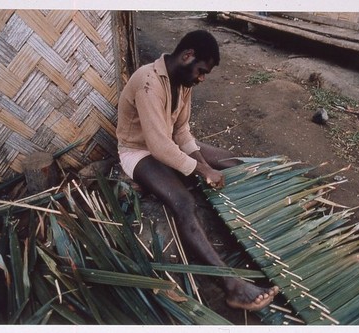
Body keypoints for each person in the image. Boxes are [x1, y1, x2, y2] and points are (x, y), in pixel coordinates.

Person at [116, 30, 278, 311]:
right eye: (202, 71)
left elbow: (181, 131)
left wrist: (204, 164)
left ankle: (267, 203)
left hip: (164, 142)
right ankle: (231, 286)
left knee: (227, 159)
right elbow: (158, 147)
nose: (202, 78)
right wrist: (201, 171)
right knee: (184, 203)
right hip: (138, 152)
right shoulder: (148, 82)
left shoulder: (183, 81)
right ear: (187, 56)